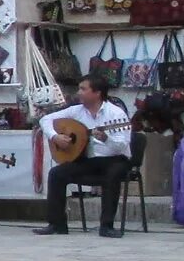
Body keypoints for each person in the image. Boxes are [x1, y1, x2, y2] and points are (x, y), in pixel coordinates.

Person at [33, 74, 132, 238]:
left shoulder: (116, 114)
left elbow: (122, 144)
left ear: (97, 93)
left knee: (112, 174)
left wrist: (106, 138)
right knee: (56, 174)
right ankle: (57, 224)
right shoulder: (76, 111)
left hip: (115, 159)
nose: (79, 92)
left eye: (83, 89)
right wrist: (55, 137)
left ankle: (107, 226)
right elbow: (45, 119)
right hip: (89, 160)